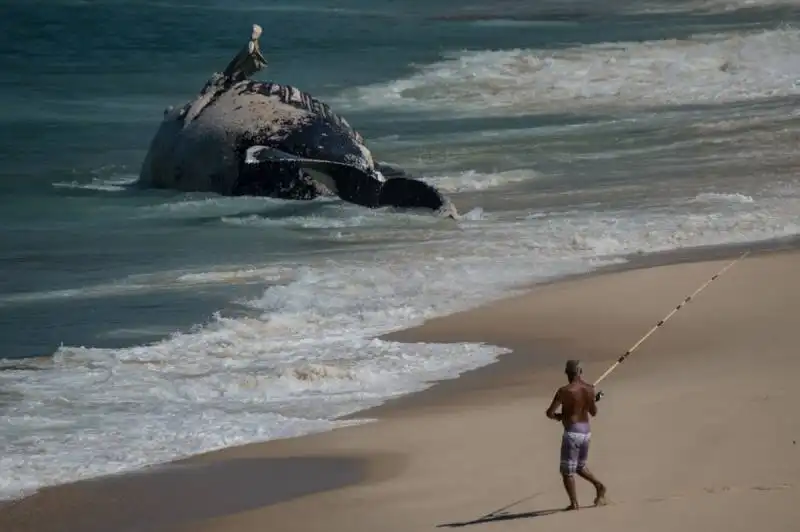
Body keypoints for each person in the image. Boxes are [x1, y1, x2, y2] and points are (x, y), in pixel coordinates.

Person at [545, 359, 607, 510]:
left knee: (567, 472)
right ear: (580, 372)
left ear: (567, 373)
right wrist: (593, 399)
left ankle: (574, 503)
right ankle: (599, 486)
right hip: (586, 431)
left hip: (572, 432)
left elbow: (549, 413)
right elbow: (593, 412)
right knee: (580, 467)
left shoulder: (564, 391)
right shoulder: (589, 389)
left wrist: (559, 417)